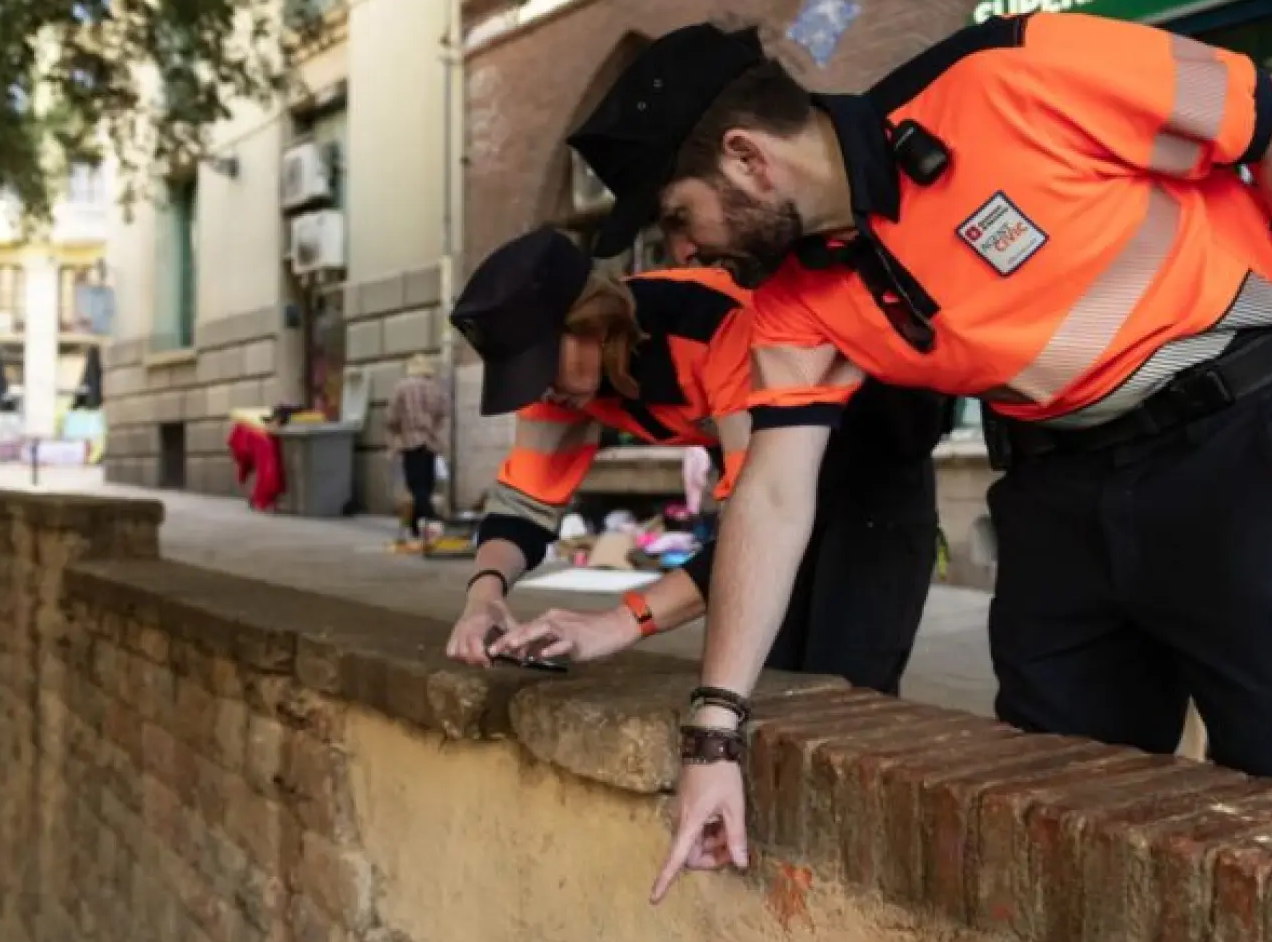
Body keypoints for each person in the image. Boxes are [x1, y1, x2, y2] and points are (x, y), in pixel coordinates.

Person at [563, 11, 1272, 898]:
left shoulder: (1012, 74)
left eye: (678, 217)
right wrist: (715, 735)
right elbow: (773, 499)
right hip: (1054, 485)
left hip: (1241, 445)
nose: (680, 252)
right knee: (1060, 814)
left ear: (750, 158)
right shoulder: (790, 302)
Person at [445, 227, 945, 695]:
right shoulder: (564, 383)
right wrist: (482, 597)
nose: (542, 389)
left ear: (592, 323)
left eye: (542, 368)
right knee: (769, 682)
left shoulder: (713, 323)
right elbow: (523, 507)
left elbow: (761, 523)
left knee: (843, 687)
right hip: (774, 477)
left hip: (869, 468)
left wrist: (619, 622)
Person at [386, 354, 450, 538]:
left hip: (410, 441)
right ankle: (416, 524)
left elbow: (392, 416)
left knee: (415, 486)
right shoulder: (435, 388)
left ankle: (432, 518)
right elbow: (443, 413)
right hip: (430, 442)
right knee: (426, 484)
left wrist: (395, 435)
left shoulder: (402, 387)